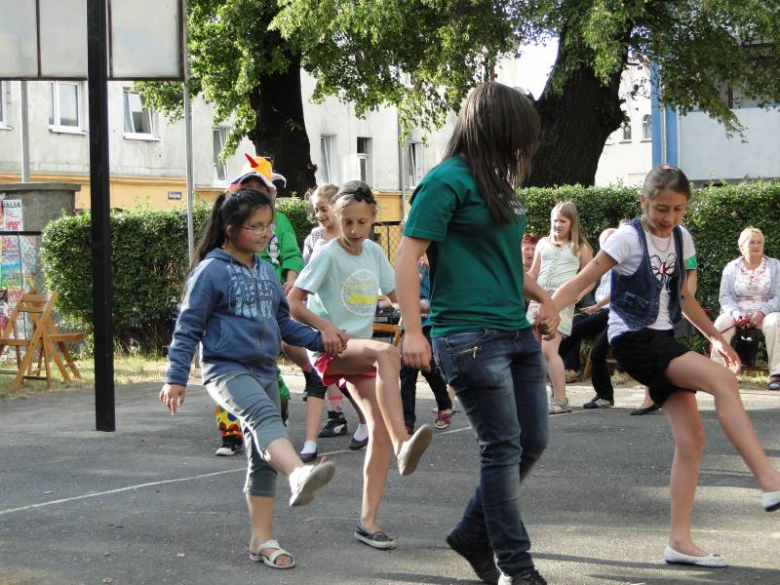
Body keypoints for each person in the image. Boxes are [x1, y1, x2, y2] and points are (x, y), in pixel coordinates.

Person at [552, 164, 780, 568]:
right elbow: (584, 280)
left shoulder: (681, 238)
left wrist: (713, 337)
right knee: (722, 382)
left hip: (662, 340)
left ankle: (679, 542)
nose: (668, 217)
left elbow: (685, 300)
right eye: (660, 208)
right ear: (643, 202)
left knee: (692, 439)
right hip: (634, 340)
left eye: (677, 209)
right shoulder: (627, 239)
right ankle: (769, 479)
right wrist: (550, 308)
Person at [396, 82, 559, 585]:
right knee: (503, 446)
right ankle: (517, 566)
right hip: (467, 337)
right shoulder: (446, 181)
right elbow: (406, 256)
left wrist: (543, 297)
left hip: (513, 331)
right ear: (495, 127)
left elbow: (504, 259)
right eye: (519, 134)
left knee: (531, 442)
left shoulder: (496, 183)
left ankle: (471, 531)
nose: (524, 145)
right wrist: (413, 332)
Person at [159, 185, 338, 570]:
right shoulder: (211, 271)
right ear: (230, 229)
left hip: (263, 370)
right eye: (256, 226)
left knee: (261, 457)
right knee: (263, 417)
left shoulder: (266, 273)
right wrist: (175, 377)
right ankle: (299, 473)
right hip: (225, 369)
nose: (265, 233)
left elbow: (281, 323)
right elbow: (188, 327)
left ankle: (262, 540)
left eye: (268, 225)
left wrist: (320, 341)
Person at [289, 181, 434, 551]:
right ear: (338, 220)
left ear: (372, 221)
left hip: (358, 353)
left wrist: (434, 307)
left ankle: (368, 523)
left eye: (362, 223)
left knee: (377, 431)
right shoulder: (326, 254)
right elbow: (294, 302)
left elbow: (398, 297)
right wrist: (323, 327)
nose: (355, 231)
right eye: (348, 222)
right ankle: (404, 442)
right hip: (332, 348)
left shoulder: (372, 252)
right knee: (388, 354)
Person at [227, 154, 328, 438]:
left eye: (262, 189)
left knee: (277, 342)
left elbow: (292, 254)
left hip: (271, 296)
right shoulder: (232, 224)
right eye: (248, 188)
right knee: (250, 355)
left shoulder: (280, 222)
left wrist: (291, 278)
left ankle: (305, 376)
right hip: (244, 303)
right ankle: (239, 429)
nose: (255, 194)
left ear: (272, 193)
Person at [300, 183, 369, 460]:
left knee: (349, 379)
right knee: (318, 379)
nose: (319, 214)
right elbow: (307, 276)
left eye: (324, 208)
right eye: (316, 209)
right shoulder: (315, 238)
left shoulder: (348, 237)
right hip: (319, 318)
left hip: (345, 321)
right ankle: (310, 442)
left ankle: (366, 422)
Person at [527, 201, 593, 414]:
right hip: (537, 301)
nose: (557, 224)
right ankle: (541, 397)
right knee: (534, 351)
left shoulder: (580, 247)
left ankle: (561, 399)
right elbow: (534, 273)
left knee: (548, 349)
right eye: (555, 220)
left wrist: (577, 296)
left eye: (562, 221)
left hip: (562, 304)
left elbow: (590, 278)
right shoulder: (543, 243)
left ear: (572, 223)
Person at [712, 226, 780, 390]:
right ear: (741, 246)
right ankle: (715, 373)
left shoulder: (775, 266)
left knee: (776, 322)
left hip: (766, 312)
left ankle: (776, 374)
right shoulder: (731, 267)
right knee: (720, 324)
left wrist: (762, 312)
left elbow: (778, 296)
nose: (756, 246)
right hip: (736, 312)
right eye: (751, 242)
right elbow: (725, 296)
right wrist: (736, 314)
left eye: (759, 242)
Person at [557, 228, 616, 408]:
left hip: (616, 311)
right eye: (604, 243)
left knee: (596, 349)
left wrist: (598, 306)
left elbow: (620, 291)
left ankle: (605, 396)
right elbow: (582, 281)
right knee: (570, 328)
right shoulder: (602, 263)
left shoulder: (624, 261)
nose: (608, 246)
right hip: (599, 310)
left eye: (612, 241)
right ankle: (558, 368)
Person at [400, 255, 454, 431]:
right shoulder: (407, 263)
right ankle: (407, 421)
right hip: (412, 322)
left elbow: (447, 295)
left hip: (433, 322)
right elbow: (399, 294)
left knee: (428, 365)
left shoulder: (442, 262)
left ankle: (444, 402)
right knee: (407, 370)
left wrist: (430, 267)